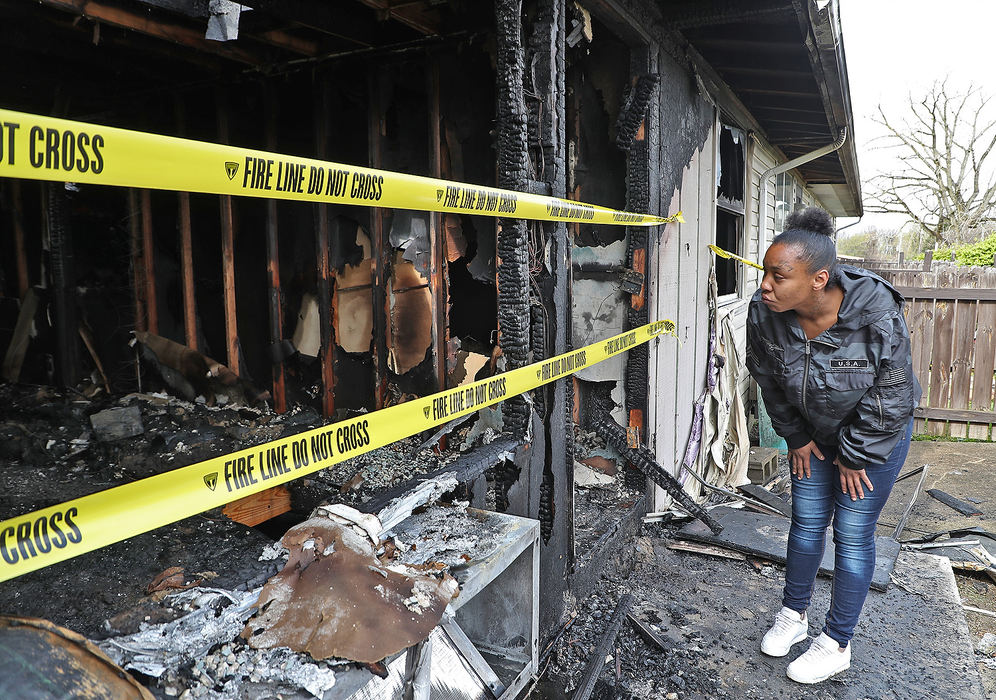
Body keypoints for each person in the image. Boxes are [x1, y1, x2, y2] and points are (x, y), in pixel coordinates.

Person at [745, 207, 921, 684]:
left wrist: (855, 454)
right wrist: (796, 436)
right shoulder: (765, 313)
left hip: (874, 440)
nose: (766, 284)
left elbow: (895, 393)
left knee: (853, 533)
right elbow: (766, 378)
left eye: (779, 276)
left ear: (819, 278)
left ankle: (835, 642)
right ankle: (793, 615)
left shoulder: (876, 315)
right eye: (765, 272)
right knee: (805, 524)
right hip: (813, 436)